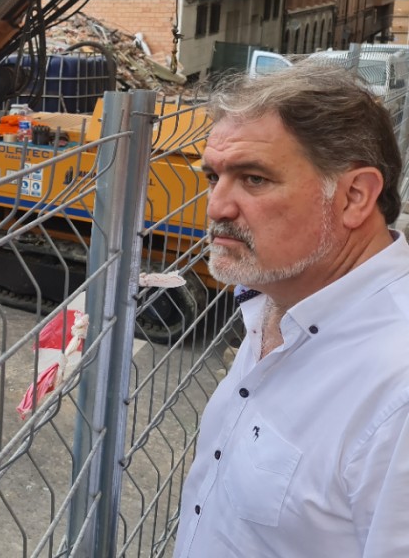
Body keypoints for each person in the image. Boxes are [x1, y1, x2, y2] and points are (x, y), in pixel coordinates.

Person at [175, 61, 409, 557]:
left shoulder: (396, 390)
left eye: (254, 179)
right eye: (213, 176)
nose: (217, 206)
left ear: (354, 196)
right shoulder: (277, 302)